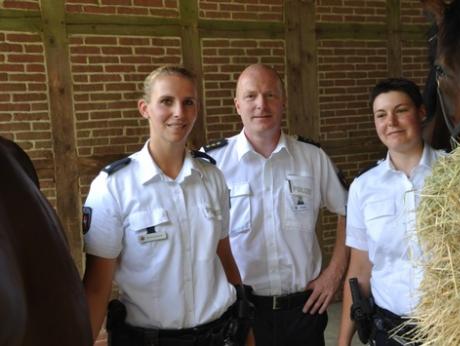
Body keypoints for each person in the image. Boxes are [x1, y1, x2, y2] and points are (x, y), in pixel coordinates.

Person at [82, 66, 250, 346]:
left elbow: (225, 258)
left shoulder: (212, 178)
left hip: (219, 335)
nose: (179, 113)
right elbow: (97, 288)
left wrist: (246, 327)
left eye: (188, 102)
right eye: (166, 101)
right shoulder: (113, 186)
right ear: (144, 108)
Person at [202, 64, 349, 346]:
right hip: (240, 309)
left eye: (270, 95)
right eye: (251, 96)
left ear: (283, 102)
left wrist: (333, 275)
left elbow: (348, 211)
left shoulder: (312, 157)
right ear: (237, 105)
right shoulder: (212, 165)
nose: (261, 104)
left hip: (303, 311)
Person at [337, 78, 446, 346]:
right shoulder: (364, 187)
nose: (391, 122)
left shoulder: (454, 171)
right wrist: (342, 341)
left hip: (450, 330)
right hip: (389, 331)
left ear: (421, 113)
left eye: (401, 111)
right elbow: (360, 269)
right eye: (381, 115)